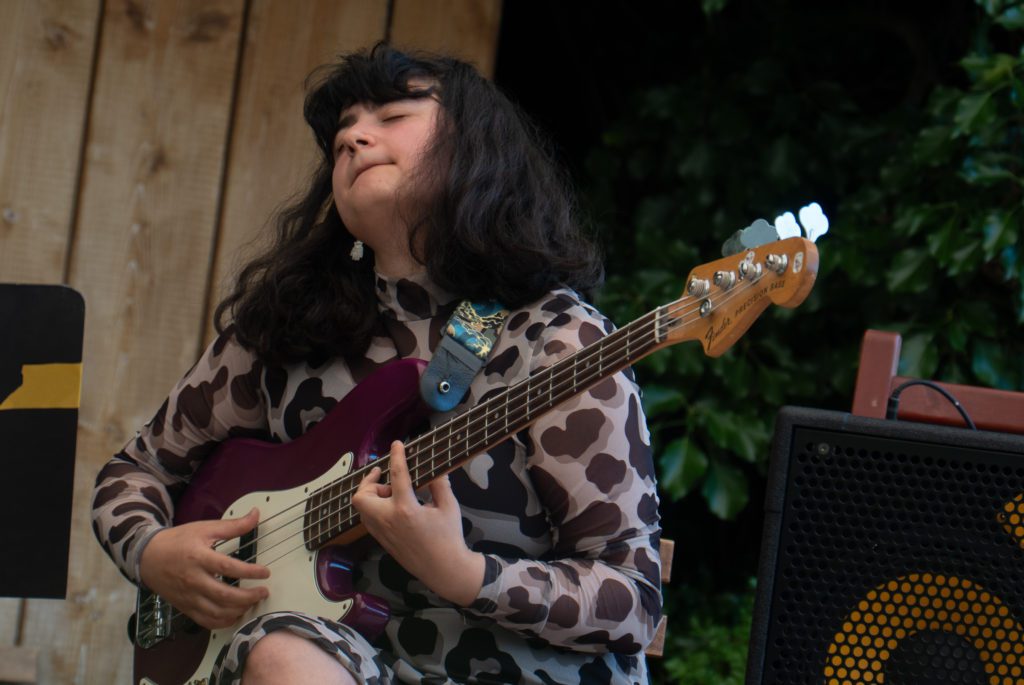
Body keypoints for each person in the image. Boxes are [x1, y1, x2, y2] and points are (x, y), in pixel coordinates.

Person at [92, 43, 662, 684]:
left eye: (392, 116)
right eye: (343, 133)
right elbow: (135, 470)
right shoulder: (287, 329)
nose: (354, 137)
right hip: (330, 664)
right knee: (279, 653)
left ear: (474, 146)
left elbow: (633, 600)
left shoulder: (557, 339)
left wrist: (466, 573)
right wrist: (153, 552)